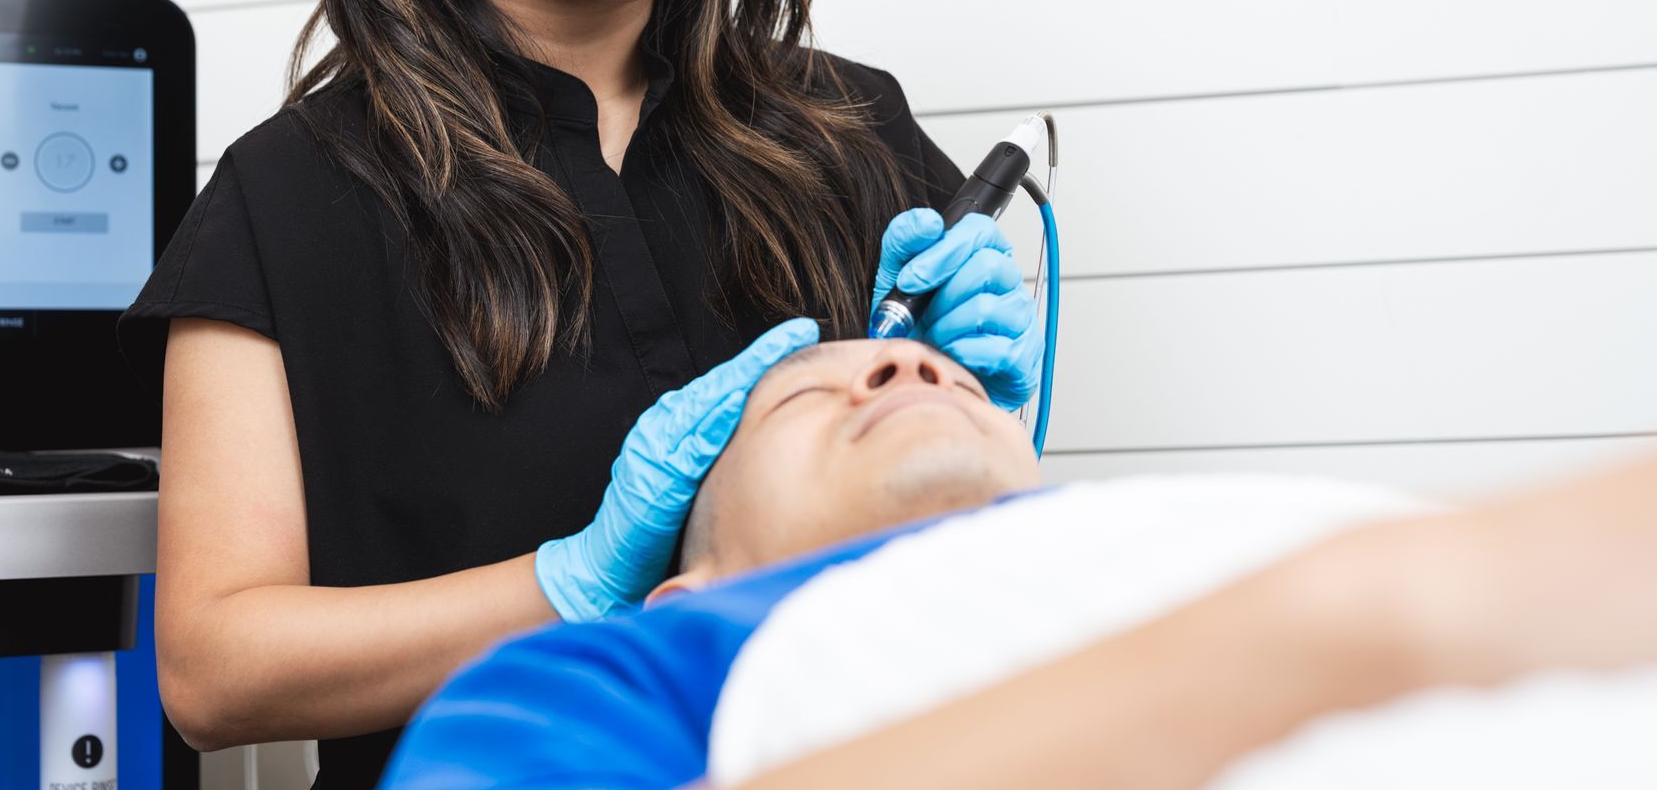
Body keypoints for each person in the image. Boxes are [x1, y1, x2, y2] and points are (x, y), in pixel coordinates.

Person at [114, 0, 1045, 787]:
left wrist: (970, 418)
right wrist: (574, 577)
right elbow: (214, 670)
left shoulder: (850, 131)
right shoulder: (291, 199)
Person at [382, 336, 1657, 789]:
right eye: (805, 396)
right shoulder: (605, 674)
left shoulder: (1204, 533)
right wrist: (1334, 628)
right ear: (688, 581)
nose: (907, 363)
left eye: (948, 376)